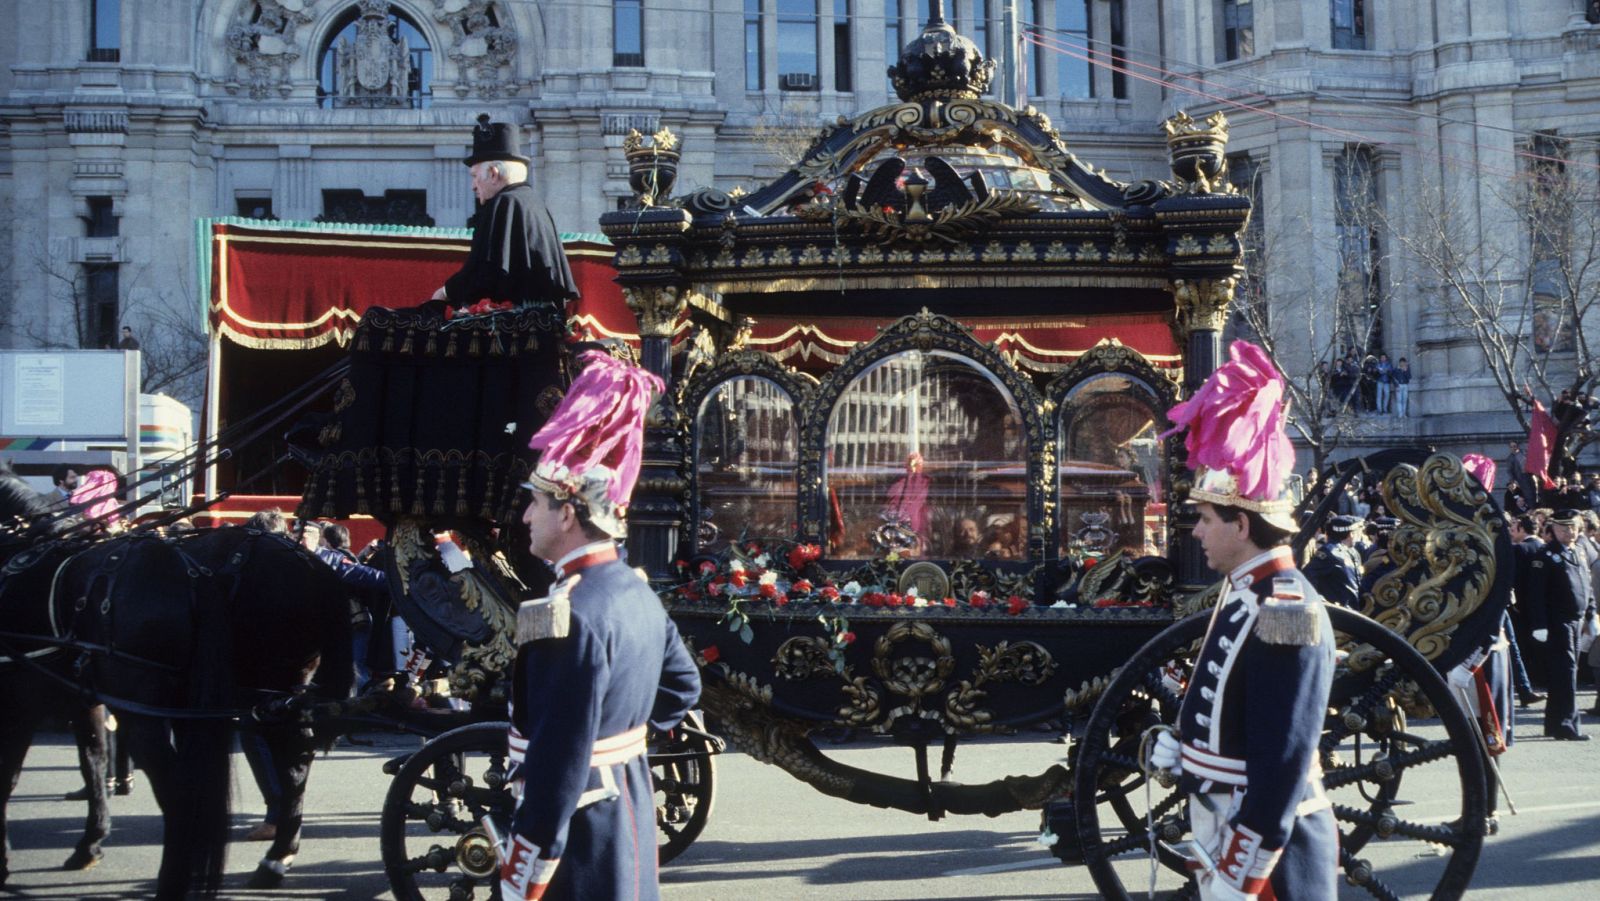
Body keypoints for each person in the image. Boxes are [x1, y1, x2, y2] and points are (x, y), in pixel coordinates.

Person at [500, 351, 700, 901]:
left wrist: (523, 876)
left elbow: (557, 765)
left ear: (567, 514)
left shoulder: (567, 614)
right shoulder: (637, 590)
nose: (525, 517)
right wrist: (622, 740)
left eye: (535, 505)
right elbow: (684, 686)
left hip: (578, 840)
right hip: (628, 813)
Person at [1149, 340, 1338, 899]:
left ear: (1242, 523)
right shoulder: (1247, 593)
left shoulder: (1285, 608)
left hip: (1269, 857)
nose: (1197, 532)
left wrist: (1243, 872)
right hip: (1223, 826)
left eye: (1206, 519)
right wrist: (1185, 749)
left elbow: (1281, 763)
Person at [431, 114, 579, 311]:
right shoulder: (532, 202)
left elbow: (485, 271)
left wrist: (445, 292)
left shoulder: (505, 203)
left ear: (493, 174)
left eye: (474, 176)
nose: (473, 186)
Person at [1525, 509, 1597, 740]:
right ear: (1553, 529)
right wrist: (1539, 624)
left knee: (1566, 672)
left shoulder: (1579, 552)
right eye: (1564, 528)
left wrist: (1591, 615)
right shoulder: (1545, 556)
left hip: (1575, 621)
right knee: (1565, 673)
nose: (1570, 532)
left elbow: (1586, 587)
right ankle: (1566, 725)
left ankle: (1556, 723)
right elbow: (1534, 594)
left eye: (1574, 527)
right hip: (1558, 621)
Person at [1304, 516, 1362, 608]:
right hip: (1340, 612)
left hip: (1353, 609)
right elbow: (1308, 575)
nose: (1354, 536)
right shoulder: (1328, 552)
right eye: (1352, 533)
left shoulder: (1352, 552)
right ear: (1349, 534)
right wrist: (1321, 600)